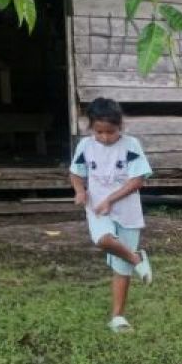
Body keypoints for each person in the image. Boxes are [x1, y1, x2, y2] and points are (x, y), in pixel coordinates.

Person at [68, 97, 154, 333]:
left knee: (121, 268)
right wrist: (80, 191)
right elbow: (76, 172)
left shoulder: (131, 145)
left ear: (120, 127)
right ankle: (137, 258)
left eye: (111, 132)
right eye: (99, 132)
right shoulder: (85, 146)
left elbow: (137, 180)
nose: (105, 137)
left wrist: (111, 199)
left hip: (127, 209)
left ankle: (118, 317)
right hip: (96, 206)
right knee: (103, 239)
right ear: (90, 127)